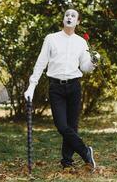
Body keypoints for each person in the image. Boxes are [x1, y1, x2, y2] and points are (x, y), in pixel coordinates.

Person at [24, 9, 100, 169]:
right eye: (67, 15)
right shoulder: (51, 39)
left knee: (72, 126)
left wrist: (94, 62)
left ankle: (67, 162)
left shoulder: (81, 42)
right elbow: (41, 62)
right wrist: (32, 84)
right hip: (56, 87)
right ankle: (85, 152)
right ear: (63, 19)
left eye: (73, 16)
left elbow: (85, 67)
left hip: (74, 86)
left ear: (77, 21)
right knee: (61, 125)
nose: (69, 17)